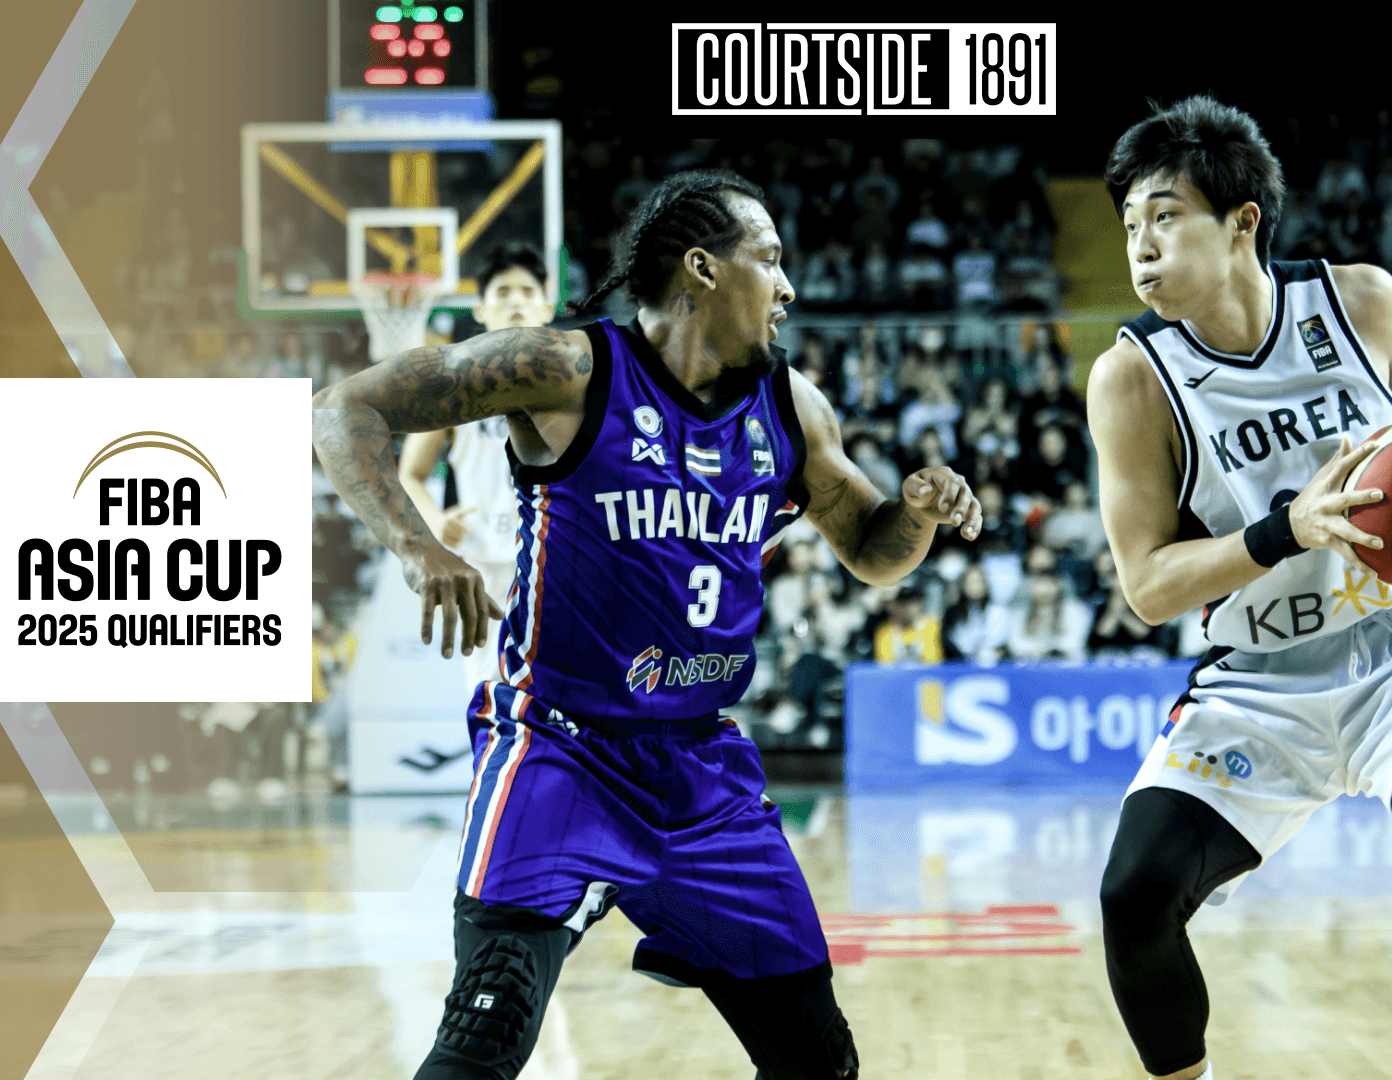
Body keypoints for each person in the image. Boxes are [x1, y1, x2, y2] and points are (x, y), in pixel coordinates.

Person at [313, 170, 983, 1080]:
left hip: (700, 769)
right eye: (770, 260)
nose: (788, 287)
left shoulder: (792, 407)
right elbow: (343, 408)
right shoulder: (566, 368)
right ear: (703, 269)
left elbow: (870, 549)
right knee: (483, 1037)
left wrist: (919, 513)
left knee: (819, 1060)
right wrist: (417, 544)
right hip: (561, 751)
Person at [1087, 98, 1392, 1080]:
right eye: (1129, 225)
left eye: (1165, 217)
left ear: (1243, 221)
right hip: (1257, 682)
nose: (1140, 247)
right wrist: (1286, 530)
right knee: (1133, 894)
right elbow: (1147, 586)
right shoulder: (1132, 379)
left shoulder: (1361, 303)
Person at [397, 243, 557, 701]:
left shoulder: (574, 384)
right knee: (490, 694)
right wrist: (434, 519)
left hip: (553, 559)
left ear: (547, 308)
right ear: (481, 310)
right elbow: (410, 472)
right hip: (482, 562)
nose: (515, 300)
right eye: (502, 291)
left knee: (557, 696)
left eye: (527, 291)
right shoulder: (453, 386)